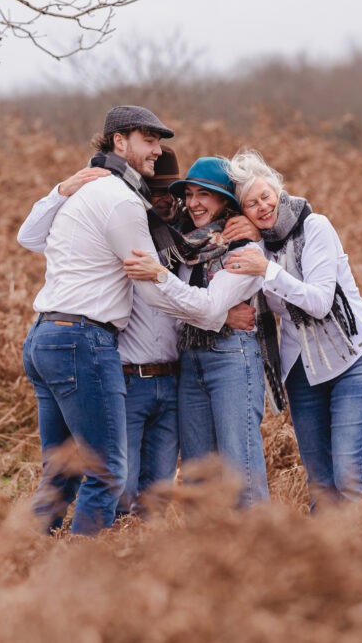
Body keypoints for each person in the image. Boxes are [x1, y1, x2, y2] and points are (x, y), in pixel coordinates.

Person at [20, 105, 258, 536]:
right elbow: (152, 288)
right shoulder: (122, 203)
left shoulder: (104, 199)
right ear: (119, 141)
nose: (156, 150)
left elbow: (31, 237)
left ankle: (21, 556)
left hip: (48, 335)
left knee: (62, 472)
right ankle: (86, 572)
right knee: (108, 472)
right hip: (84, 341)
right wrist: (215, 313)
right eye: (149, 141)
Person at [223, 149, 362, 510]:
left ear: (279, 190)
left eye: (266, 196)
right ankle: (322, 562)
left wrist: (266, 269)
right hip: (302, 371)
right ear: (243, 213)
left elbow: (319, 302)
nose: (263, 207)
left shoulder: (315, 227)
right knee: (321, 484)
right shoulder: (256, 248)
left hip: (353, 359)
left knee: (348, 478)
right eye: (251, 204)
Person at [123, 156, 274, 507]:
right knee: (195, 476)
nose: (192, 203)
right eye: (188, 194)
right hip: (189, 362)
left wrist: (160, 277)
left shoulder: (244, 248)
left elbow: (204, 304)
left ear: (226, 202)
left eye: (204, 194)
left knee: (242, 471)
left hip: (232, 359)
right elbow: (181, 311)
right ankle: (202, 557)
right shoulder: (183, 247)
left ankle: (261, 556)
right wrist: (219, 317)